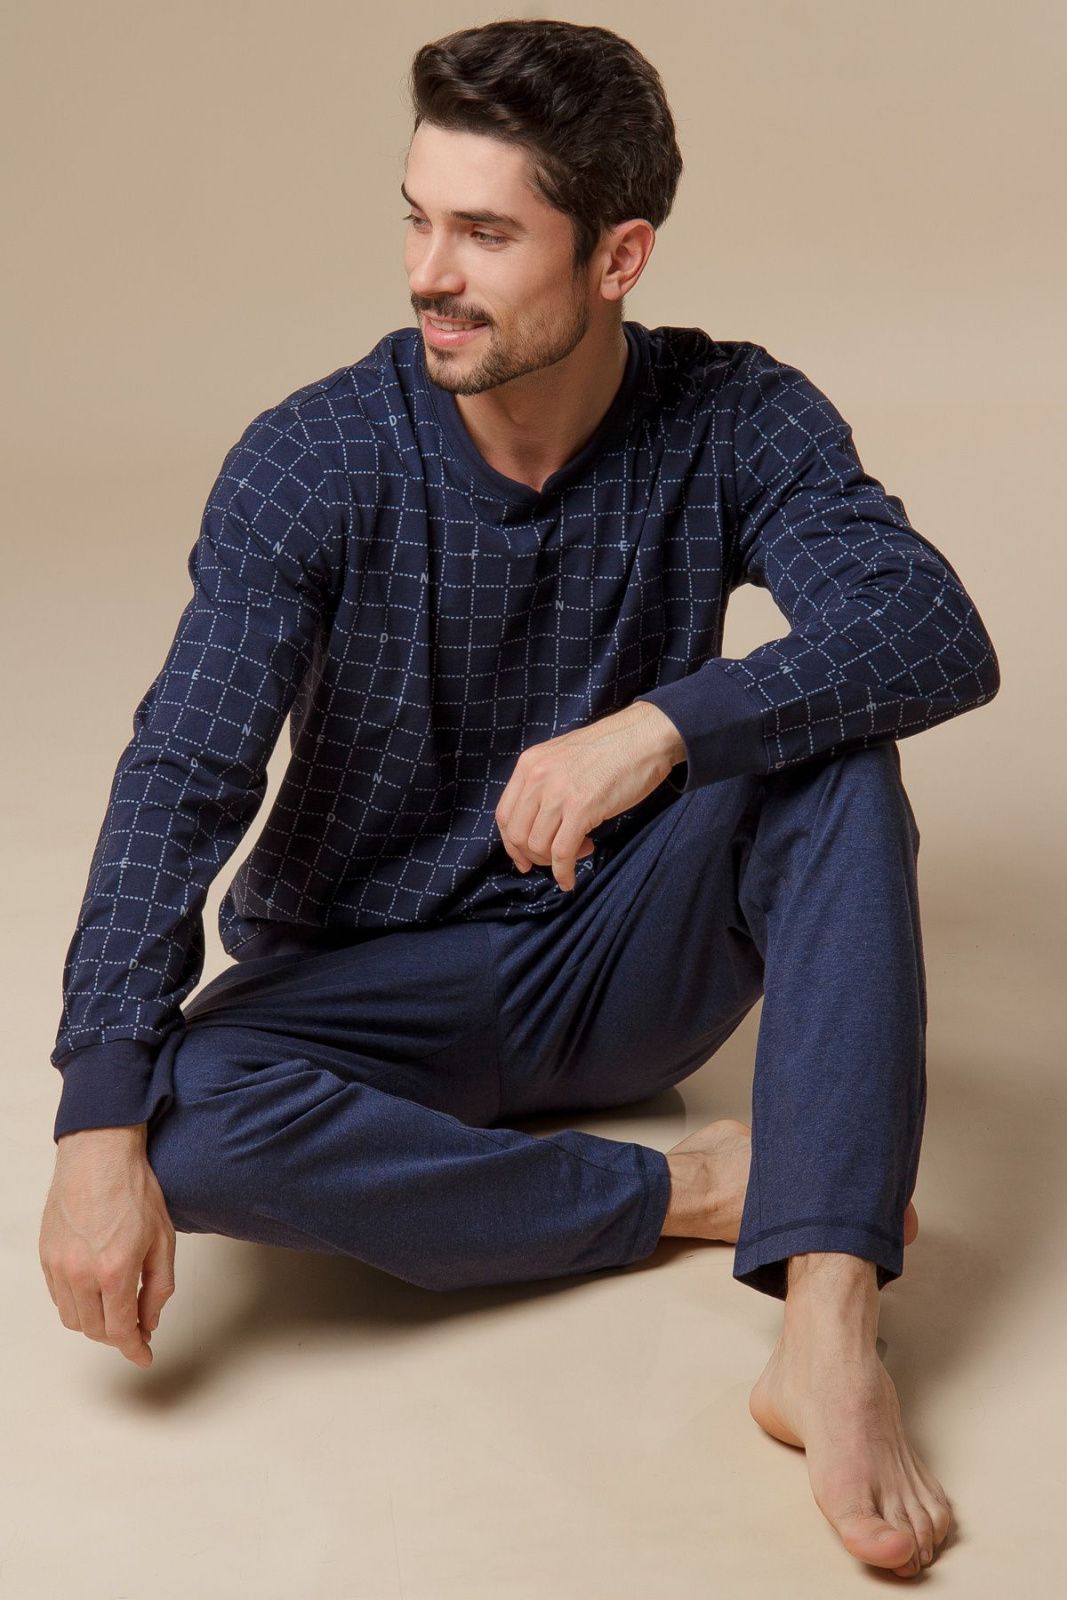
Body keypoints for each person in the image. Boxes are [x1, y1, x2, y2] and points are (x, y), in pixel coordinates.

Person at [38, 17, 998, 1582]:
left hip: (614, 953)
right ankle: (691, 1190)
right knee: (178, 1126)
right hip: (370, 987)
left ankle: (828, 1329)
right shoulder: (313, 459)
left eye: (485, 234)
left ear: (618, 257)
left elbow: (931, 630)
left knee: (836, 748)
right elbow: (183, 773)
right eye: (417, 219)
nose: (432, 272)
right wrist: (93, 1125)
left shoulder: (736, 416)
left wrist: (660, 728)